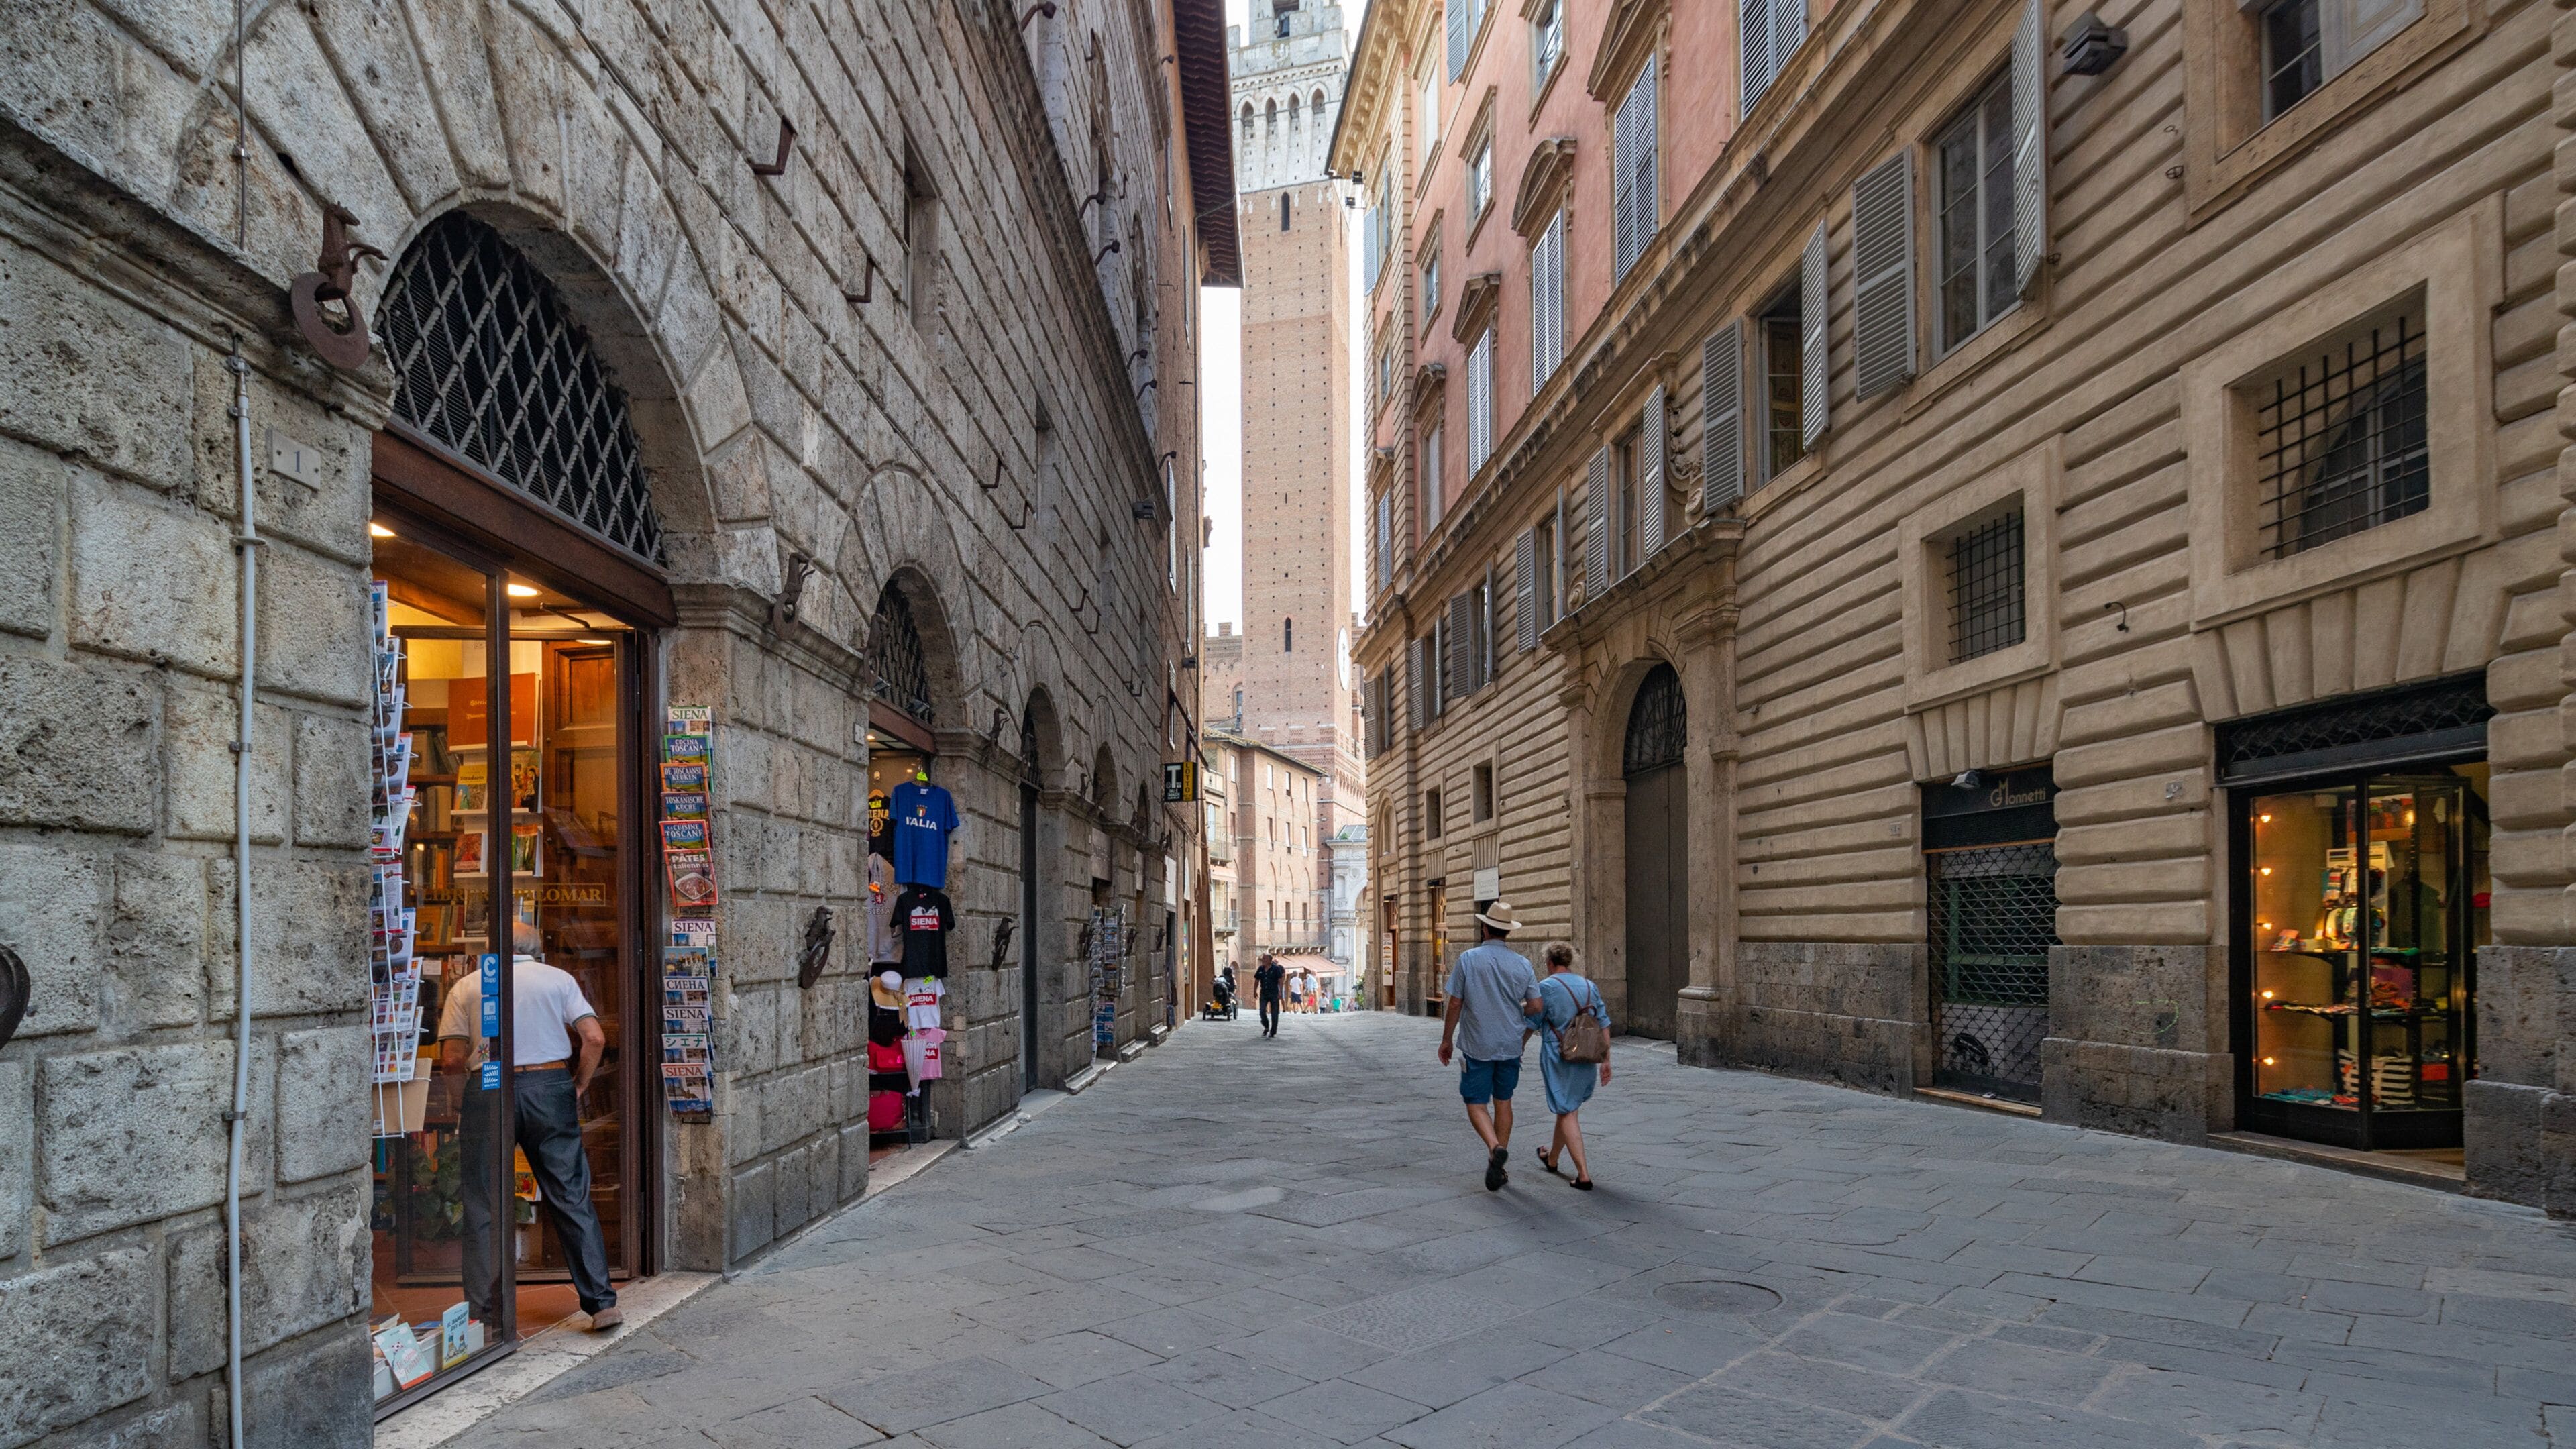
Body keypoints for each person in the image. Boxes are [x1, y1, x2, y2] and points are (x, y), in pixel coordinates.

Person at [438, 920, 621, 1331]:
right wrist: (577, 1085)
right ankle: (601, 1304)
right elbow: (593, 1038)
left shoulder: (467, 987)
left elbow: (451, 1059)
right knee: (570, 1194)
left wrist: (458, 1099)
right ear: (537, 949)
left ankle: (482, 1315)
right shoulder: (558, 979)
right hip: (548, 1085)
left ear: (491, 950)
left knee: (483, 1203)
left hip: (489, 1086)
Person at [1436, 902, 1544, 1191]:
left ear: (1484, 928)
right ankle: (1500, 1166)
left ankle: (1495, 1148)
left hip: (1477, 1044)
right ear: (1507, 933)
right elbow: (1536, 1006)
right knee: (1504, 1102)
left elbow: (1456, 1002)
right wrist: (1513, 1005)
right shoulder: (1522, 964)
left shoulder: (1469, 959)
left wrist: (1447, 1039)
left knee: (1475, 1102)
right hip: (1511, 1044)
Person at [1527, 943, 1611, 1190]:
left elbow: (1532, 1023)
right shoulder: (1589, 986)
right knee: (1568, 1109)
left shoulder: (1547, 987)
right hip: (1586, 1055)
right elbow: (1604, 1023)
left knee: (1566, 1110)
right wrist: (1606, 1060)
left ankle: (1583, 1174)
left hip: (1559, 1054)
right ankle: (1552, 1158)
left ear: (1550, 963)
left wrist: (1517, 1050)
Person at [1254, 952, 1287, 1036]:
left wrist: (1280, 992)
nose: (1263, 960)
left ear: (1270, 960)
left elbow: (1280, 981)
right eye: (1262, 959)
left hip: (1274, 993)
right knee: (1262, 1011)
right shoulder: (1261, 969)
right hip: (1264, 993)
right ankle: (1266, 1026)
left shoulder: (1276, 969)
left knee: (1274, 1013)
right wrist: (1255, 991)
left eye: (1264, 959)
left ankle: (1273, 1032)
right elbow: (1257, 980)